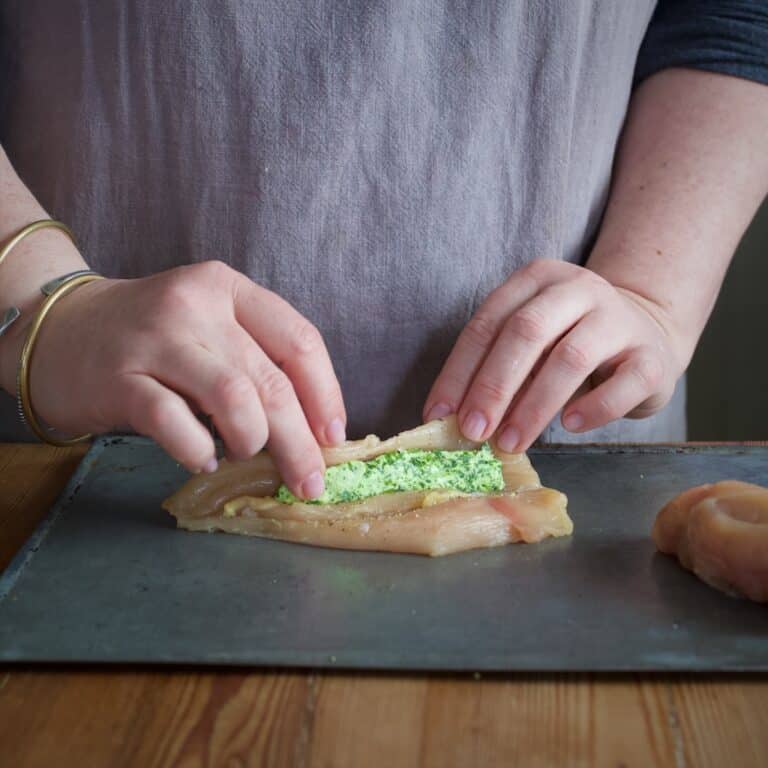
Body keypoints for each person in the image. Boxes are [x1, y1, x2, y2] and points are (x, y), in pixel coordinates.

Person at [0, 1, 766, 501]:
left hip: (576, 438)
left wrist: (652, 293)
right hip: (72, 465)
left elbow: (732, 15)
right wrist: (40, 296)